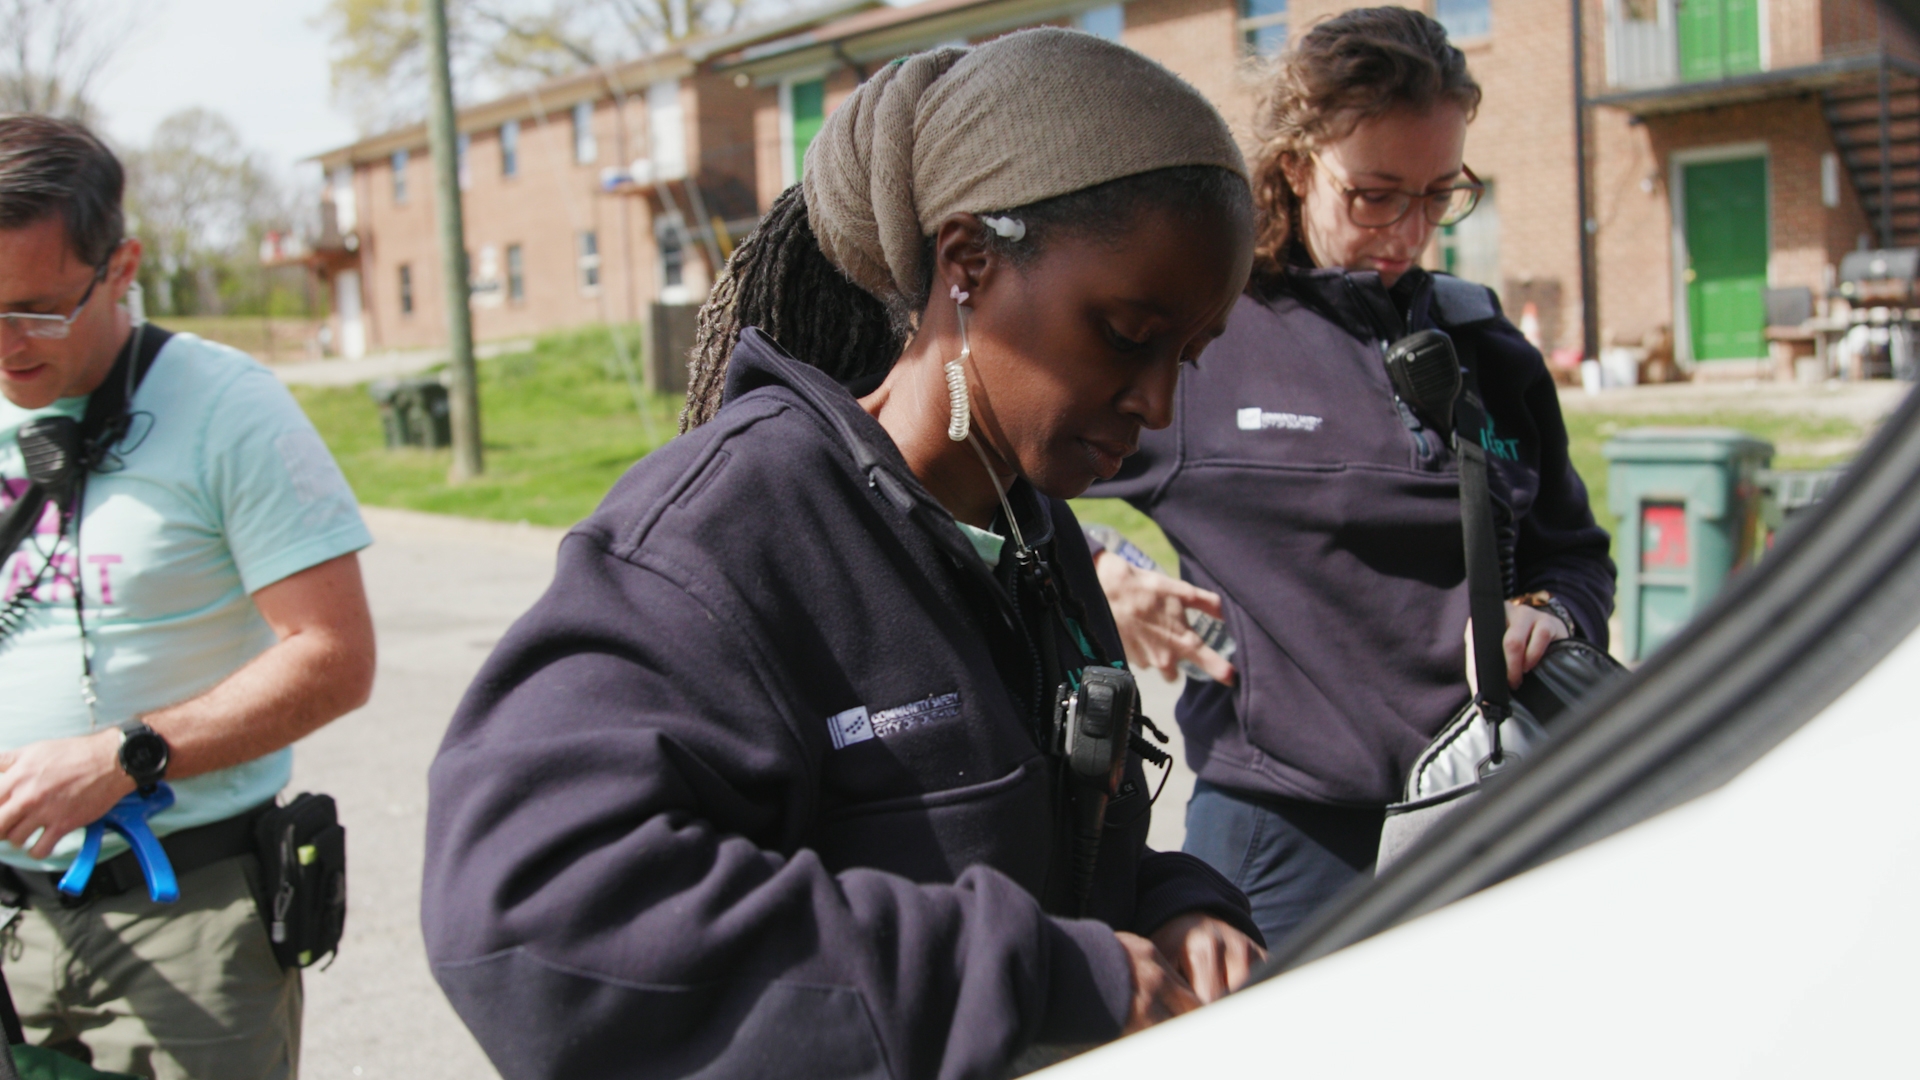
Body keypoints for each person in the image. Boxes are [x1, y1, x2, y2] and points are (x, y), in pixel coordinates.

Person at [423, 29, 1265, 1079]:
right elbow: (534, 913)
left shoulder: (1034, 534)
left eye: (1187, 356)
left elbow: (1039, 863)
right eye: (1128, 332)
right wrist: (1042, 980)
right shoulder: (724, 533)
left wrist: (1173, 906)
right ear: (968, 263)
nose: (1157, 403)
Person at [1089, 7, 1615, 948]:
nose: (1407, 231)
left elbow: (1574, 554)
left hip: (1487, 813)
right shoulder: (1210, 335)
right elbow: (982, 475)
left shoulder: (1487, 346)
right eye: (1374, 195)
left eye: (1438, 194)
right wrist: (1098, 572)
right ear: (1296, 166)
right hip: (1280, 840)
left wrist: (1552, 609)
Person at [0, 115, 376, 1078]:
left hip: (189, 914)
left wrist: (130, 755)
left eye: (36, 310)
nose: (5, 348)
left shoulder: (231, 408)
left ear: (121, 267)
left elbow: (334, 656)